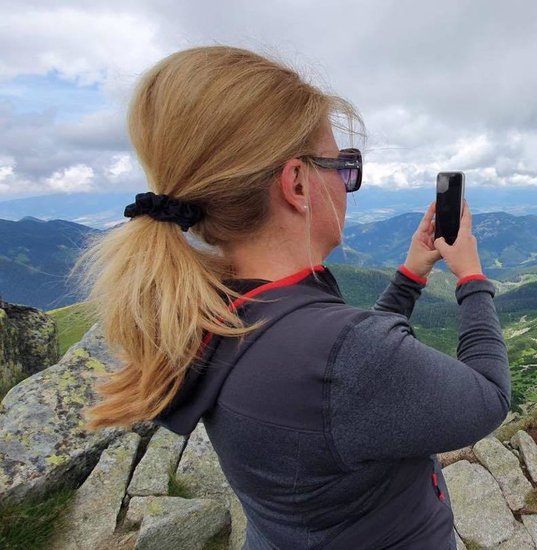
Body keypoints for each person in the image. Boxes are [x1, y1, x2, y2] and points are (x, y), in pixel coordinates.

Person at [76, 46, 510, 549]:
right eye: (344, 165)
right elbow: (489, 397)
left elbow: (339, 381)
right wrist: (472, 278)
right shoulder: (340, 355)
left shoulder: (222, 312)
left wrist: (411, 276)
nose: (349, 187)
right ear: (298, 183)